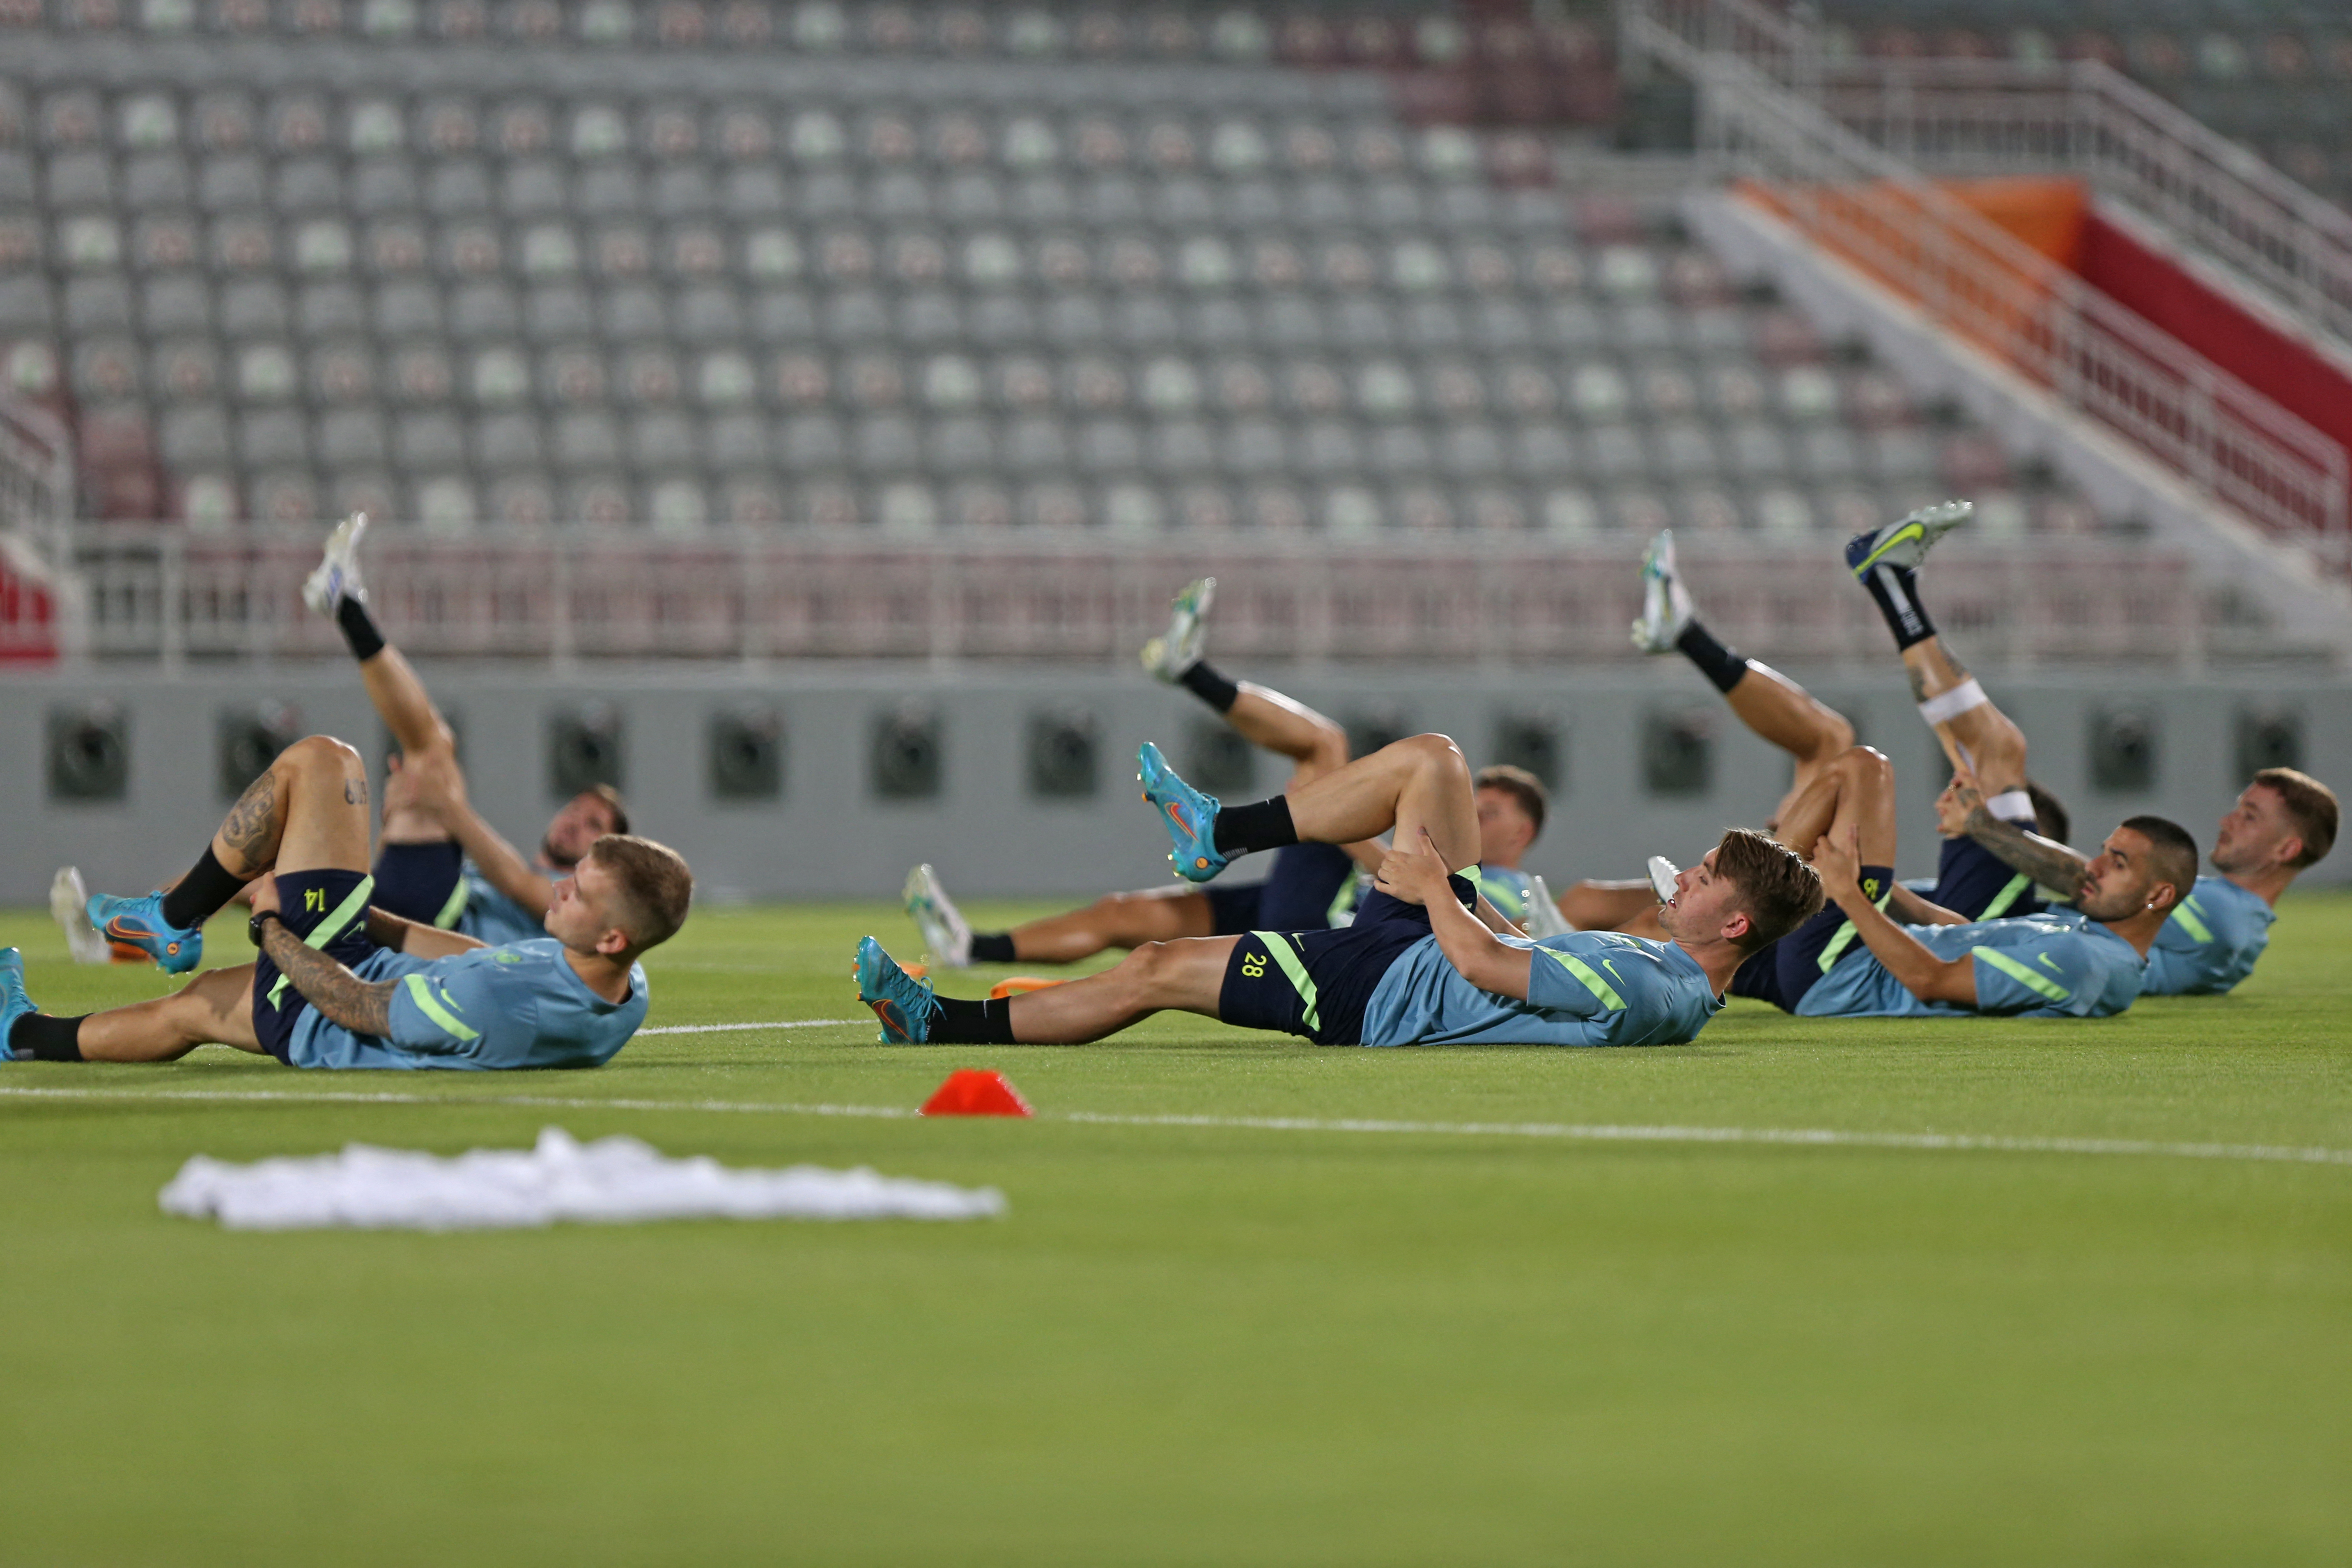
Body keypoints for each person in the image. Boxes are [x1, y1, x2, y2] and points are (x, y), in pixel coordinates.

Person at [855, 730, 1823, 1049]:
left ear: (1733, 921)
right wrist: (1448, 892)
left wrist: (1439, 886)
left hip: (1381, 990)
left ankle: (938, 1025)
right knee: (1433, 761)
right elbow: (1507, 949)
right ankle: (1219, 831)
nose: (1682, 878)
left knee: (1152, 966)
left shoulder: (1662, 993)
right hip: (1427, 941)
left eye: (1702, 880)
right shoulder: (1661, 963)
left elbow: (1487, 965)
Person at [902, 578, 1539, 966]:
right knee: (1126, 916)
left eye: (1493, 812)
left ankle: (1192, 682)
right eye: (1477, 801)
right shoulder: (1456, 839)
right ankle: (971, 947)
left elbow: (1416, 893)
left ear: (1524, 835)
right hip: (1304, 899)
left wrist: (1336, 827)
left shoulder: (1512, 891)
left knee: (1324, 746)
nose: (1474, 812)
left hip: (1330, 930)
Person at [4, 733, 691, 1069]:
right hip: (348, 978)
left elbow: (357, 1008)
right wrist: (379, 921)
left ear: (611, 937)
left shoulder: (508, 1008)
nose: (559, 885)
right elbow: (485, 958)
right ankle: (20, 1036)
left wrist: (273, 927)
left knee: (325, 762)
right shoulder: (624, 984)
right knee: (192, 1009)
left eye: (579, 892)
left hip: (326, 999)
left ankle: (174, 917)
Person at [1563, 506, 2068, 936]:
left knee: (1979, 753)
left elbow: (1991, 760)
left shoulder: (2025, 909)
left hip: (1810, 934)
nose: (1951, 799)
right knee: (1830, 739)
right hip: (1823, 926)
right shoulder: (1993, 901)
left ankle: (1888, 585)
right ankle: (1687, 633)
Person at [301, 513, 630, 944]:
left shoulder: (575, 901)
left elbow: (515, 881)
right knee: (423, 764)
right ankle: (188, 909)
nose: (574, 821)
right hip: (414, 924)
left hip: (441, 939)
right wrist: (398, 821)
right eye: (577, 810)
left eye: (593, 824)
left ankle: (347, 606)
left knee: (434, 749)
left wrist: (446, 808)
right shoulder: (478, 868)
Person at [1946, 765, 2335, 996]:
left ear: (2286, 850)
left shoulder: (2224, 916)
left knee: (1998, 761)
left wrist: (1980, 824)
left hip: (1994, 934)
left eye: (2250, 816)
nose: (2227, 822)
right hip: (2011, 929)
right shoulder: (2238, 924)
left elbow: (2087, 883)